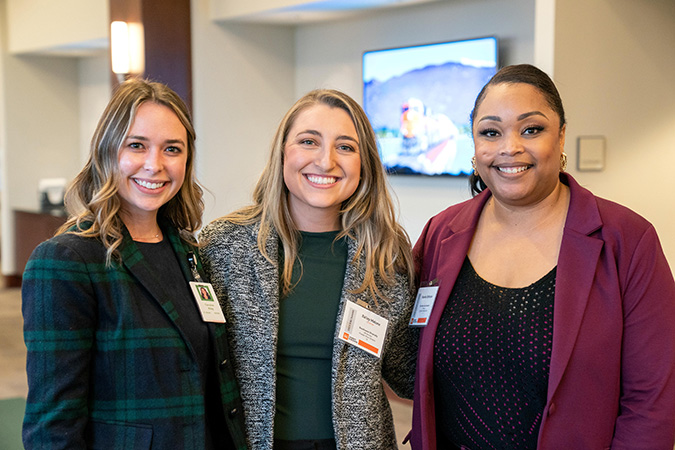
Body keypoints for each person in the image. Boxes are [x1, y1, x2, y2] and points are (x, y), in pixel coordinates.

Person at [409, 64, 675, 449]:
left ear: (562, 136)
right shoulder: (440, 234)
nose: (509, 147)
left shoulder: (627, 242)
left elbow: (653, 401)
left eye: (531, 129)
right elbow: (406, 355)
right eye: (490, 132)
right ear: (474, 145)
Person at [21, 79, 247, 449]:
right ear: (107, 151)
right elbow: (53, 423)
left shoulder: (189, 252)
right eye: (137, 145)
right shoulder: (66, 260)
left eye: (172, 149)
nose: (154, 165)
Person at [199, 89, 417, 450]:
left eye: (346, 147)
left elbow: (407, 372)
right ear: (283, 152)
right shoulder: (225, 246)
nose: (326, 161)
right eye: (308, 141)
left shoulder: (385, 256)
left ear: (364, 163)